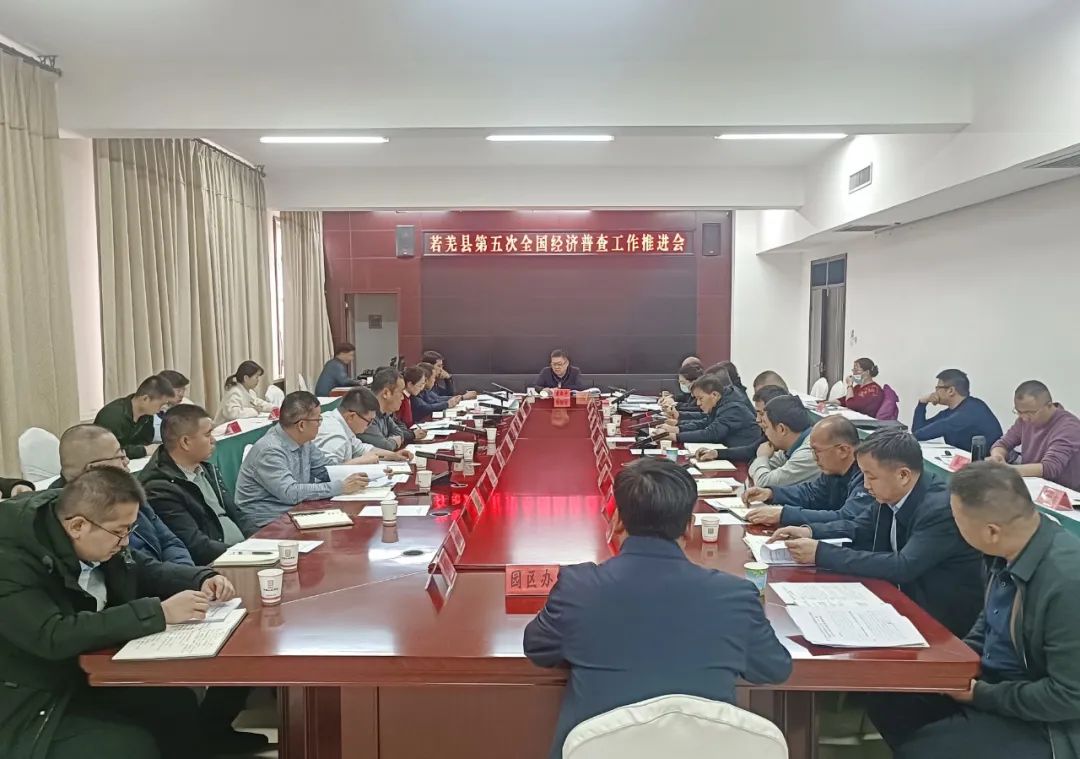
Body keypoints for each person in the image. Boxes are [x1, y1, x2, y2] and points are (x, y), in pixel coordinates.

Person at [523, 458, 792, 759]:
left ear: (617, 520)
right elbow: (774, 668)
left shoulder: (578, 587)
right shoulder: (735, 596)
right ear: (689, 527)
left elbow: (538, 649)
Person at [0, 467, 234, 759]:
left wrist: (199, 578)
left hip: (77, 673)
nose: (125, 541)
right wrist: (158, 612)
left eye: (130, 530)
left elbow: (142, 568)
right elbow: (52, 634)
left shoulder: (93, 528)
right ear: (77, 526)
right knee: (130, 746)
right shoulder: (11, 557)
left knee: (174, 703)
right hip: (29, 698)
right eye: (119, 532)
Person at [867, 462, 1080, 759]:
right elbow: (991, 620)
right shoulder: (1005, 550)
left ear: (991, 531)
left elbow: (1069, 696)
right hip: (995, 685)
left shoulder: (1066, 582)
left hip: (1051, 724)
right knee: (886, 693)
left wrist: (981, 695)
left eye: (957, 520)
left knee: (923, 750)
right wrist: (952, 664)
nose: (955, 527)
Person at [769, 430, 983, 637]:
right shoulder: (890, 494)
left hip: (939, 622)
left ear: (903, 475)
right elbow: (858, 527)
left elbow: (903, 566)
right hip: (899, 604)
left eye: (871, 477)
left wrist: (821, 553)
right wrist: (809, 531)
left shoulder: (939, 509)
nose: (865, 485)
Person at [51, 424, 193, 566]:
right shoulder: (66, 515)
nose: (127, 461)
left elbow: (169, 541)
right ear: (94, 469)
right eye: (119, 456)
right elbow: (133, 568)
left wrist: (185, 572)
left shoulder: (124, 492)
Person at [234, 391, 369, 533]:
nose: (320, 424)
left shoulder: (304, 442)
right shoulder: (270, 450)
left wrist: (365, 476)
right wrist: (340, 486)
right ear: (302, 425)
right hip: (264, 521)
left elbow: (326, 470)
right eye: (318, 420)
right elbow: (290, 493)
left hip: (293, 511)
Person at [140, 405, 246, 565]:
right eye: (207, 434)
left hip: (241, 551)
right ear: (185, 442)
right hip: (216, 564)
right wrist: (244, 553)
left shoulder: (207, 469)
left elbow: (237, 514)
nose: (213, 440)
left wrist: (262, 541)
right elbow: (196, 546)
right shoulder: (160, 487)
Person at [744, 416, 875, 527]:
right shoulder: (834, 470)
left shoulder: (867, 475)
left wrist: (784, 515)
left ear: (843, 450)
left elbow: (847, 517)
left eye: (817, 451)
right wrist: (772, 493)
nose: (814, 457)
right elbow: (812, 493)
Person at [990, 380, 1080, 490]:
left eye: (1030, 413)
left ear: (1049, 406)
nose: (1024, 418)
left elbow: (1050, 468)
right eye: (1019, 412)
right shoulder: (1024, 420)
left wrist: (1008, 470)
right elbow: (1003, 443)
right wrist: (997, 456)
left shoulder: (1068, 427)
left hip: (1063, 493)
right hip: (1033, 484)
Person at [315, 387, 410, 466]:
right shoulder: (335, 435)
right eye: (369, 421)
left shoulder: (343, 424)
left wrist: (393, 455)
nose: (369, 426)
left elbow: (362, 448)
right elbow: (328, 472)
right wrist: (361, 461)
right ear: (351, 416)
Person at [913, 369, 1003, 452]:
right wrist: (922, 403)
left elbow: (919, 435)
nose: (935, 392)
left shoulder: (972, 410)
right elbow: (918, 431)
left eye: (938, 388)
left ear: (951, 391)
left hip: (989, 462)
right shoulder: (949, 412)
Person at [661, 372, 760, 448]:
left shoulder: (733, 408)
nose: (698, 403)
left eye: (700, 398)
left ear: (714, 395)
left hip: (743, 460)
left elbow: (711, 433)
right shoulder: (722, 400)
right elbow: (706, 422)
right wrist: (678, 428)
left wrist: (674, 436)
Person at [693, 384, 787, 463]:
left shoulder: (794, 452)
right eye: (757, 413)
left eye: (762, 414)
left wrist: (761, 459)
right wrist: (716, 453)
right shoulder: (768, 434)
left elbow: (769, 477)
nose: (757, 420)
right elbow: (750, 451)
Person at [94, 375, 174, 459]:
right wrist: (144, 450)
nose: (163, 408)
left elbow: (146, 440)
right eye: (161, 404)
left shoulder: (147, 414)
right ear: (145, 399)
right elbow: (108, 451)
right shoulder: (112, 416)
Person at [747, 394, 819, 487]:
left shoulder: (808, 453)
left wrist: (762, 457)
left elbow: (764, 483)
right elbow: (756, 468)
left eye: (766, 427)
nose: (765, 432)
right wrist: (760, 464)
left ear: (781, 429)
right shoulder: (791, 445)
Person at [359, 368, 429, 451]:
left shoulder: (385, 413)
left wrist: (388, 439)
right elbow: (385, 446)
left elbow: (399, 432)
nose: (402, 397)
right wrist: (393, 441)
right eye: (400, 392)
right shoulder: (365, 414)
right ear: (386, 393)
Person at [214, 360, 274, 425]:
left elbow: (259, 404)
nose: (258, 380)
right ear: (246, 378)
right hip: (223, 429)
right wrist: (254, 410)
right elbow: (232, 413)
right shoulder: (234, 392)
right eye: (256, 377)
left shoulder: (250, 392)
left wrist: (272, 408)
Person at [153, 370, 193, 443]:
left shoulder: (187, 406)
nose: (181, 394)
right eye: (178, 391)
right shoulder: (147, 411)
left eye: (183, 390)